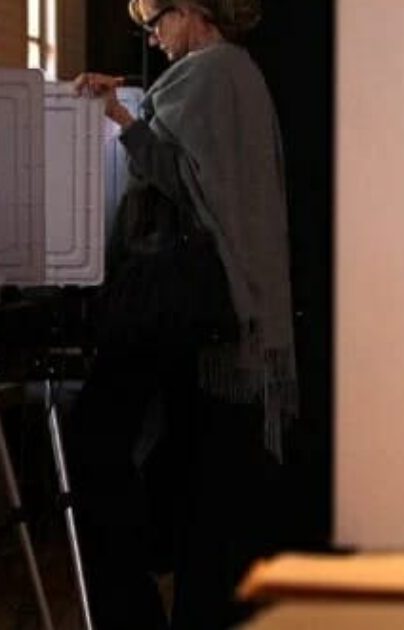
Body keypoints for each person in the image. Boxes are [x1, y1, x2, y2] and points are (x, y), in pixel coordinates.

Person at [69, 1, 297, 628]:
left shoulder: (212, 73)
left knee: (104, 443)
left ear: (192, 9)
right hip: (218, 310)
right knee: (202, 476)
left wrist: (123, 118)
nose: (152, 38)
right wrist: (132, 112)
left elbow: (182, 178)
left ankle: (133, 611)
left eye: (156, 22)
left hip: (181, 301)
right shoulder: (236, 73)